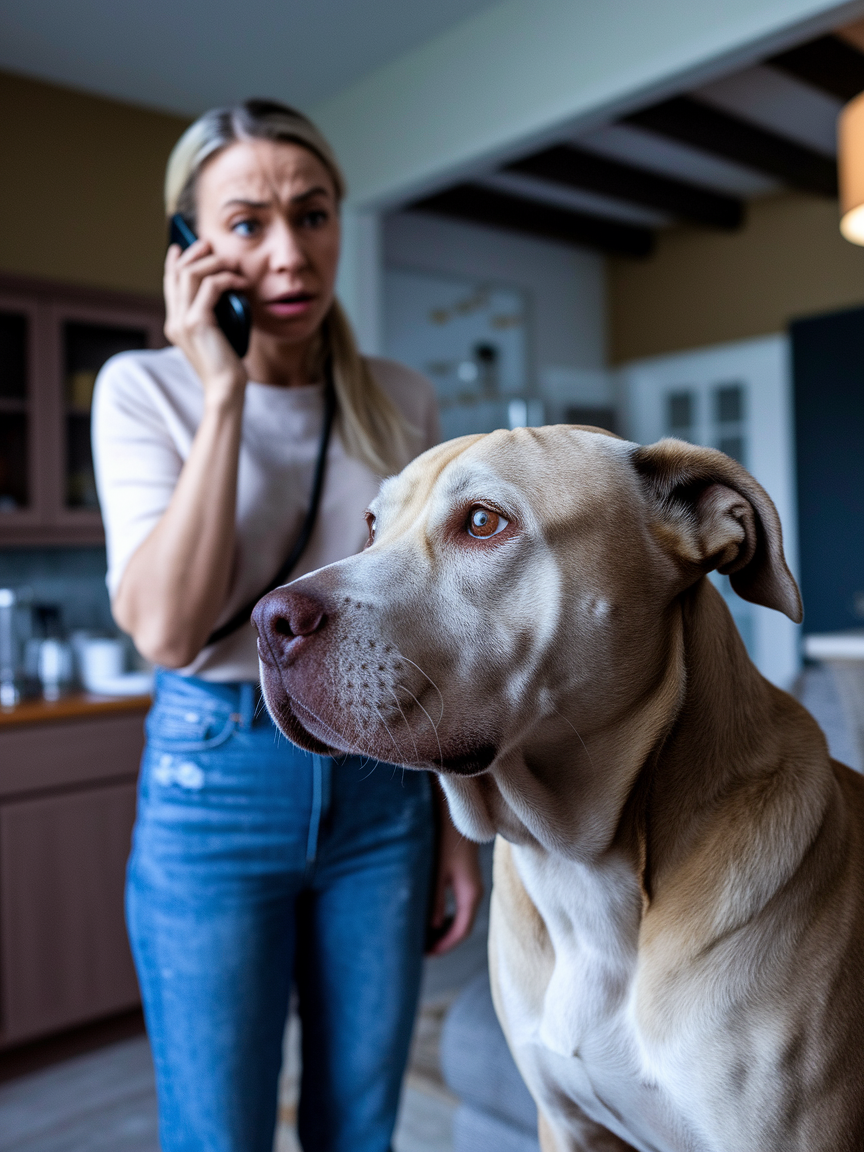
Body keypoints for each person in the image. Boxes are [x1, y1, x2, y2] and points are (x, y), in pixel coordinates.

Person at [92, 99, 483, 1152]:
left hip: (382, 782)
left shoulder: (399, 399)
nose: (288, 252)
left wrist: (453, 822)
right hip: (216, 781)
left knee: (361, 1124)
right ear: (191, 245)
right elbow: (169, 633)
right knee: (218, 1132)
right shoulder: (144, 393)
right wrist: (223, 398)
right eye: (247, 223)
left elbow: (434, 626)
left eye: (312, 216)